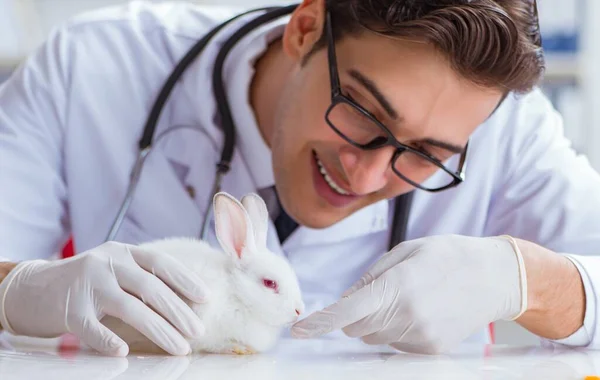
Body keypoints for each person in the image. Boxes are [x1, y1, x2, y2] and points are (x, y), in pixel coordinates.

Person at [0, 0, 599, 357]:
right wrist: (21, 290)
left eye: (427, 154)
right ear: (306, 26)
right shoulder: (92, 66)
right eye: (363, 113)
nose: (365, 174)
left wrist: (527, 279)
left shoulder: (505, 129)